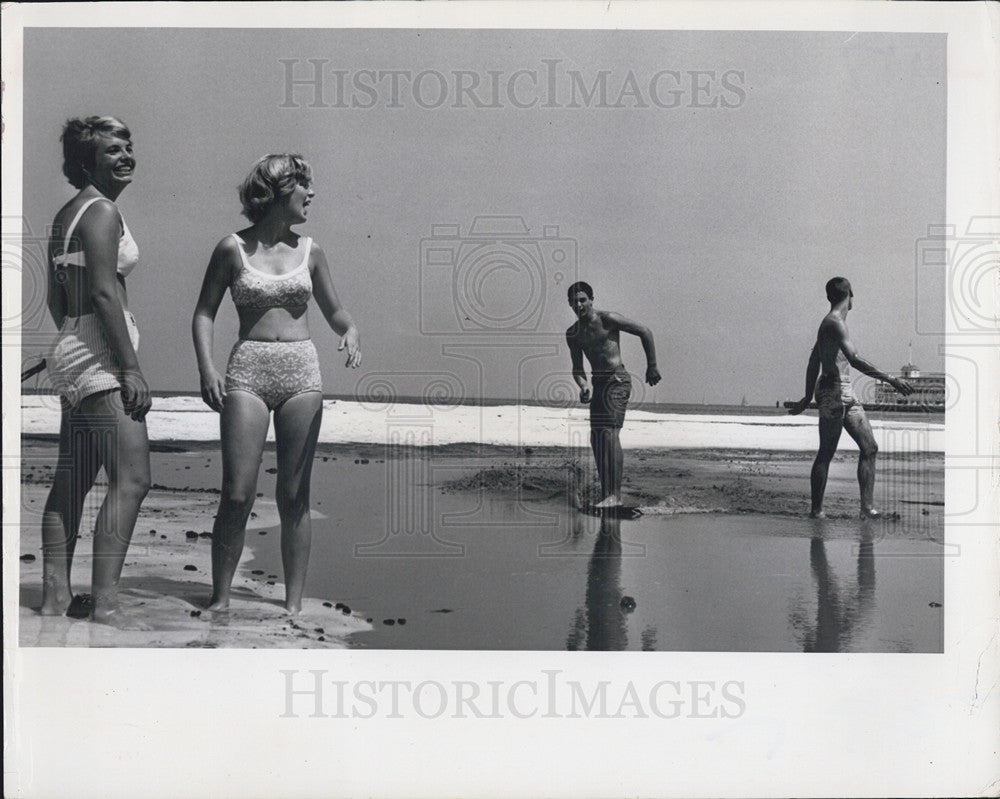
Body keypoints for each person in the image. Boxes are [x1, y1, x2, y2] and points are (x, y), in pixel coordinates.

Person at [192, 154, 361, 614]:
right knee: (238, 493)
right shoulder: (232, 249)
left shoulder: (311, 251)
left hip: (301, 374)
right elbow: (205, 311)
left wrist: (349, 329)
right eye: (304, 184)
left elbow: (335, 310)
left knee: (293, 495)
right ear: (279, 189)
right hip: (247, 370)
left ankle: (292, 606)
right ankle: (220, 599)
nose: (312, 194)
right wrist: (207, 369)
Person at [41, 116, 152, 626]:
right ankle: (105, 604)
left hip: (70, 346)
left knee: (73, 480)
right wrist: (129, 368)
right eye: (113, 150)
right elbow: (106, 292)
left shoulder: (67, 214)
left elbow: (55, 299)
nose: (126, 155)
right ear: (87, 161)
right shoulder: (103, 210)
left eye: (128, 146)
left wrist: (73, 345)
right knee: (132, 479)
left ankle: (55, 598)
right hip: (100, 352)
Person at [788, 277, 914, 518]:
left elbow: (814, 360)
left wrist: (806, 397)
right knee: (826, 452)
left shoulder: (832, 324)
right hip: (832, 392)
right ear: (851, 294)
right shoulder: (834, 323)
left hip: (844, 390)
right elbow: (854, 359)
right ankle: (816, 511)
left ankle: (867, 509)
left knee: (870, 447)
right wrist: (891, 380)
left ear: (829, 297)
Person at [566, 281, 660, 508]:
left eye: (583, 300)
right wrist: (583, 385)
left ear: (591, 300)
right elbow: (577, 367)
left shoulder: (607, 319)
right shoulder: (573, 334)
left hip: (617, 379)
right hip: (598, 384)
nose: (579, 304)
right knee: (596, 437)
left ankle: (614, 496)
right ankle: (607, 493)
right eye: (574, 301)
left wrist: (652, 365)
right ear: (569, 304)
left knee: (609, 433)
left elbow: (644, 331)